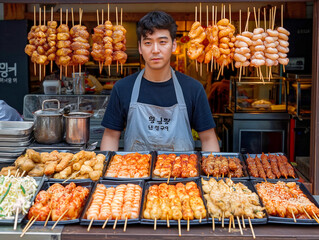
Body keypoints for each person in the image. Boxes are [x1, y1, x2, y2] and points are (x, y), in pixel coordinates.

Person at [100, 11, 220, 152]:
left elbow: (208, 138)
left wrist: (213, 171)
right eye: (148, 43)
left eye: (162, 42)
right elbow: (111, 136)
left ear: (174, 45)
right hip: (133, 171)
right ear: (140, 47)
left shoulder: (193, 89)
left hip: (183, 171)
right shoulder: (123, 88)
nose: (155, 50)